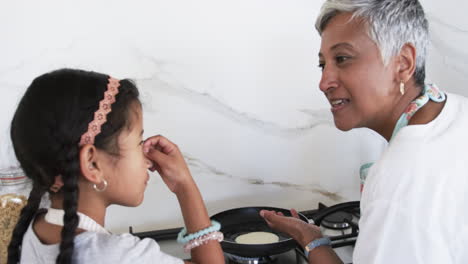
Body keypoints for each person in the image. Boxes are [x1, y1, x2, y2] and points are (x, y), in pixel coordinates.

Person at [260, 0, 468, 263]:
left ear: (403, 64)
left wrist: (311, 242)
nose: (324, 82)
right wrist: (310, 236)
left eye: (342, 59)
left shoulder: (399, 180)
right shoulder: (457, 109)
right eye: (322, 64)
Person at [7, 69, 224, 264]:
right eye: (139, 143)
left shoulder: (33, 230)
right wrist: (184, 185)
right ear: (92, 163)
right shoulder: (121, 256)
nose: (148, 160)